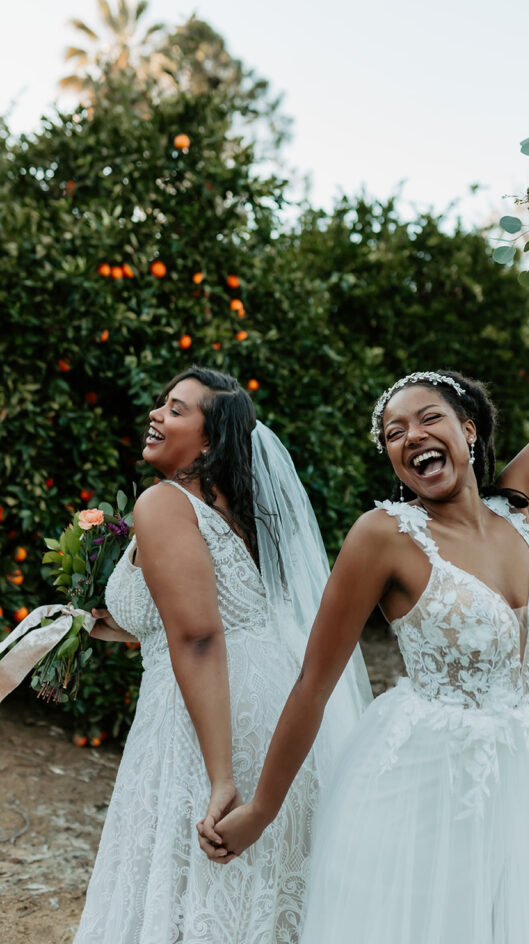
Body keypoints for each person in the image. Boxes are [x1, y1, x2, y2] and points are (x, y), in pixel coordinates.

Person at [199, 187, 529, 943]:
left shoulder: (519, 511)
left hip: (520, 780)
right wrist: (259, 811)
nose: (409, 436)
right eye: (391, 433)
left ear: (468, 431)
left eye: (426, 419)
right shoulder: (384, 537)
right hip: (413, 788)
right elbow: (314, 683)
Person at [74, 367, 371, 944]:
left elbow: (200, 637)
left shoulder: (162, 504)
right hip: (265, 700)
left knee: (201, 877)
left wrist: (220, 777)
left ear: (208, 441)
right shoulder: (235, 511)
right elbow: (192, 619)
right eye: (163, 404)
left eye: (177, 410)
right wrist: (96, 624)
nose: (157, 414)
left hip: (207, 714)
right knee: (254, 895)